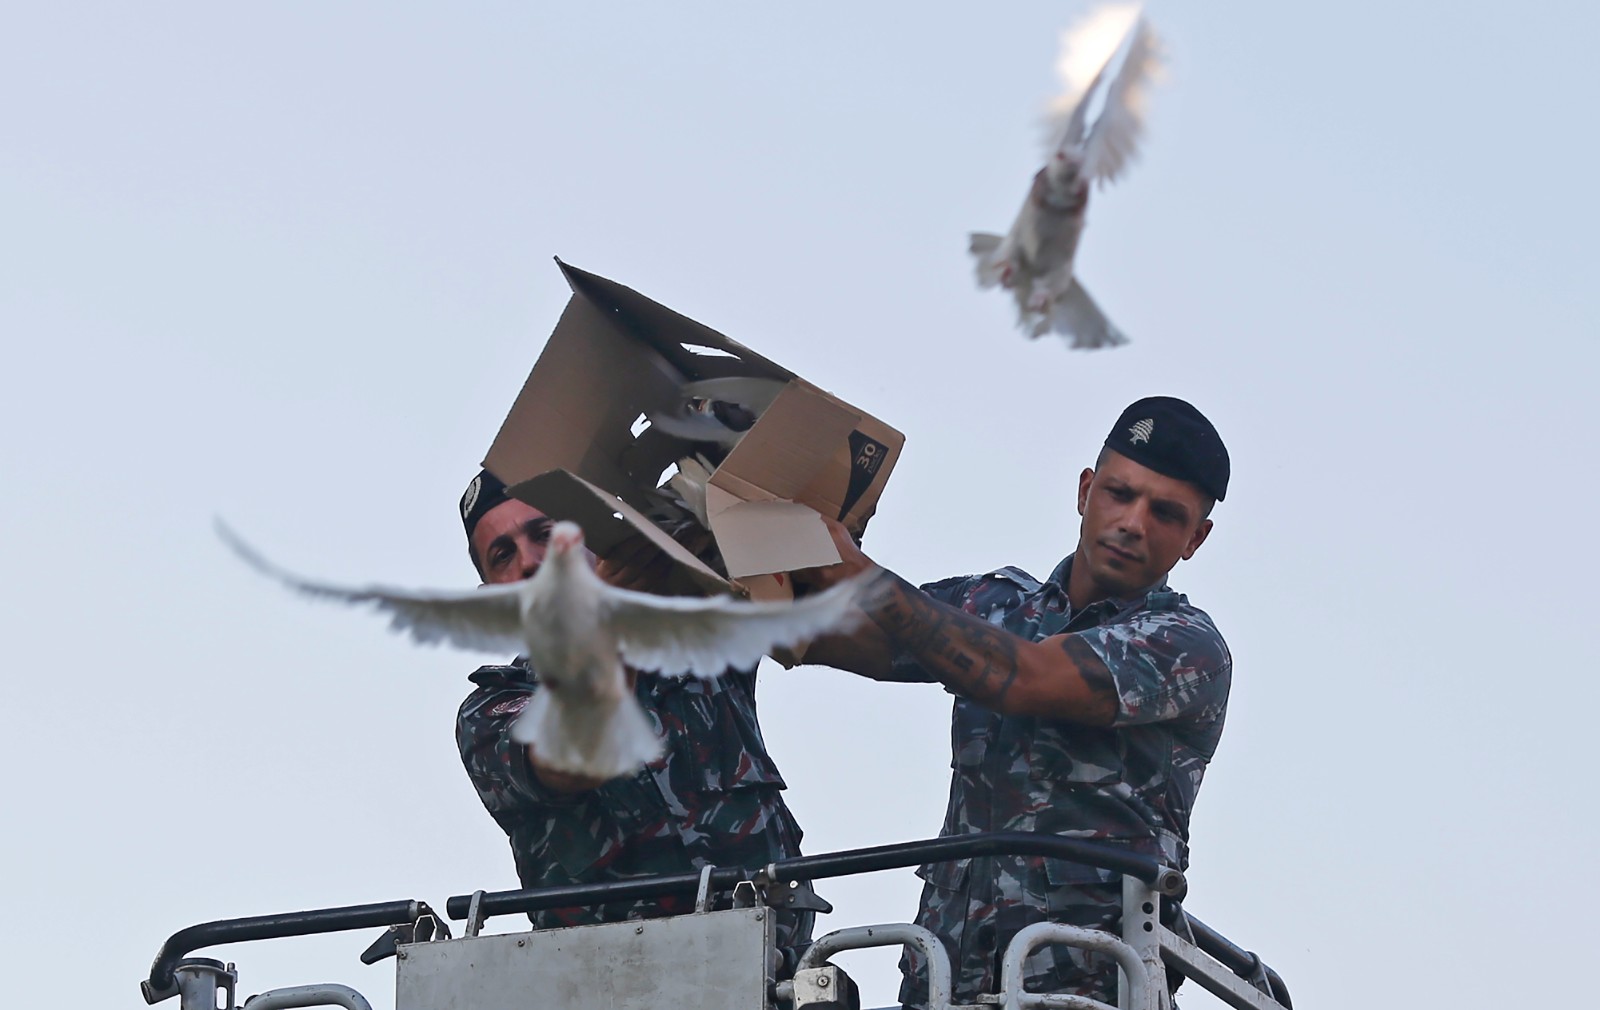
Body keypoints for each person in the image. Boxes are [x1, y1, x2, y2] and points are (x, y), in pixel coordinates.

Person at [797, 396, 1234, 1008]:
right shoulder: (997, 605)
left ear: (1196, 538)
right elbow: (827, 636)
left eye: (1164, 512)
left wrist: (859, 576)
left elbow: (1023, 677)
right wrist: (754, 543)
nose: (1133, 523)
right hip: (945, 981)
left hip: (1082, 991)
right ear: (1085, 491)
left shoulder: (1186, 647)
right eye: (1119, 493)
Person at [452, 469, 812, 953]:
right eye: (503, 556)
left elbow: (775, 517)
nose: (532, 562)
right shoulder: (491, 710)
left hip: (772, 969)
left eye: (545, 534)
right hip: (613, 979)